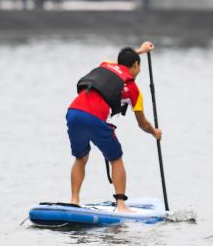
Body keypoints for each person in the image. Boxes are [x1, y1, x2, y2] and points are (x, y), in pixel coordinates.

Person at [66, 42, 162, 212]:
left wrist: (139, 51)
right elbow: (142, 123)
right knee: (116, 158)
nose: (139, 71)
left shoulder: (106, 65)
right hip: (94, 118)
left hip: (73, 113)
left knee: (81, 157)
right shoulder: (134, 90)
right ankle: (121, 205)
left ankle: (74, 200)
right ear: (136, 65)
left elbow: (122, 62)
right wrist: (154, 132)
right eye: (138, 67)